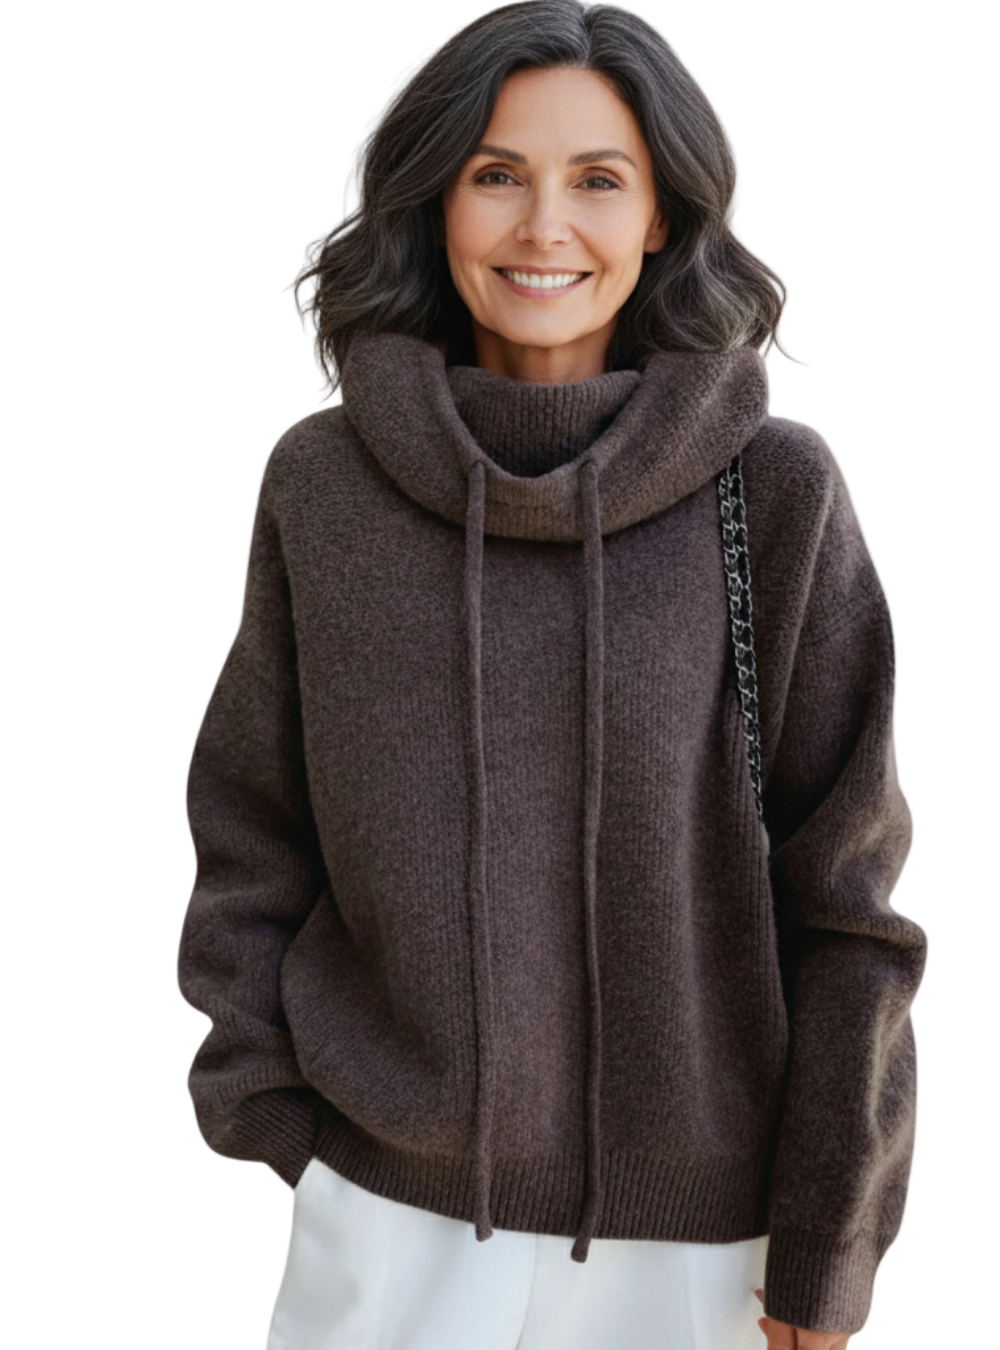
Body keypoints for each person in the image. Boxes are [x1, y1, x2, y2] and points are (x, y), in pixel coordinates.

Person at [176, 2, 927, 1347]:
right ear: (435, 200)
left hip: (706, 1253)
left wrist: (831, 1235)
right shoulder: (323, 485)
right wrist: (275, 1121)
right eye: (496, 174)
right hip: (387, 1222)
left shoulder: (774, 488)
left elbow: (851, 901)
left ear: (661, 216)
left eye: (597, 179)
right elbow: (250, 830)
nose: (543, 226)